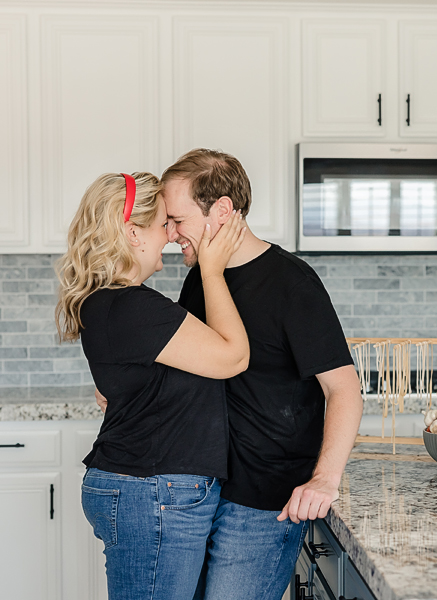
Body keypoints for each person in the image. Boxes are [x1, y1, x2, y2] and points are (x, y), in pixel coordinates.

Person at [164, 149, 363, 600]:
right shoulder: (198, 279)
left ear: (221, 210)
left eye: (177, 220)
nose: (169, 234)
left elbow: (344, 389)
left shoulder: (292, 283)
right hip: (201, 490)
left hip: (265, 499)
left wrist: (325, 478)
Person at [55, 171, 249, 600]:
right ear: (131, 233)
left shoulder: (111, 302)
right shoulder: (133, 306)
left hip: (144, 487)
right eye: (163, 223)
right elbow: (233, 357)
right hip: (154, 492)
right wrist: (212, 271)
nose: (171, 234)